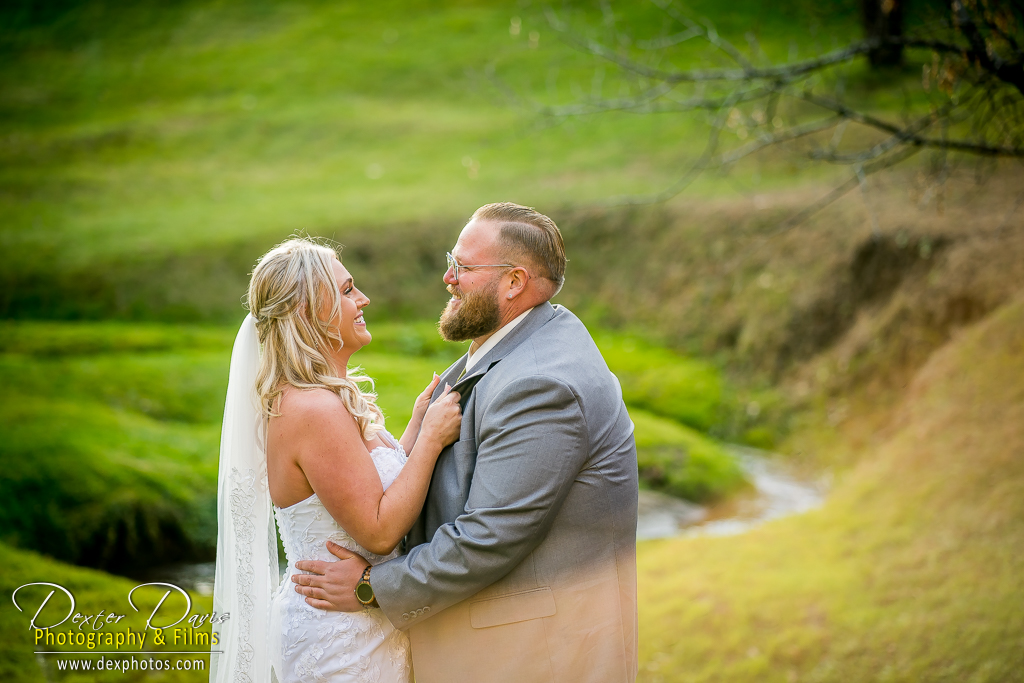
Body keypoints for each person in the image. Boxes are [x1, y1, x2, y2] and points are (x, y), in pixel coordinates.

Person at [291, 203, 640, 683]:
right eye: (450, 261)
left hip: (531, 657)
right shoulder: (514, 346)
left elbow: (487, 538)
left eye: (462, 267)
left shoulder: (542, 384)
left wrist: (372, 587)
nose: (448, 278)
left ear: (514, 283)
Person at [210, 238, 462, 683]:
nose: (363, 299)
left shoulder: (322, 401)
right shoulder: (314, 410)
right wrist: (431, 442)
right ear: (309, 311)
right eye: (347, 291)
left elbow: (364, 487)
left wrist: (415, 430)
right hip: (340, 640)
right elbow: (380, 530)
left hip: (364, 622)